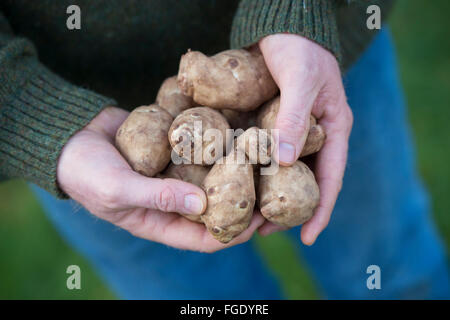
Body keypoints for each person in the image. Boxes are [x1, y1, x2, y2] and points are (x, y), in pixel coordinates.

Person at [1, 0, 448, 299]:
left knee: (391, 272)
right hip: (83, 135)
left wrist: (295, 10)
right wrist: (24, 111)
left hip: (314, 57)